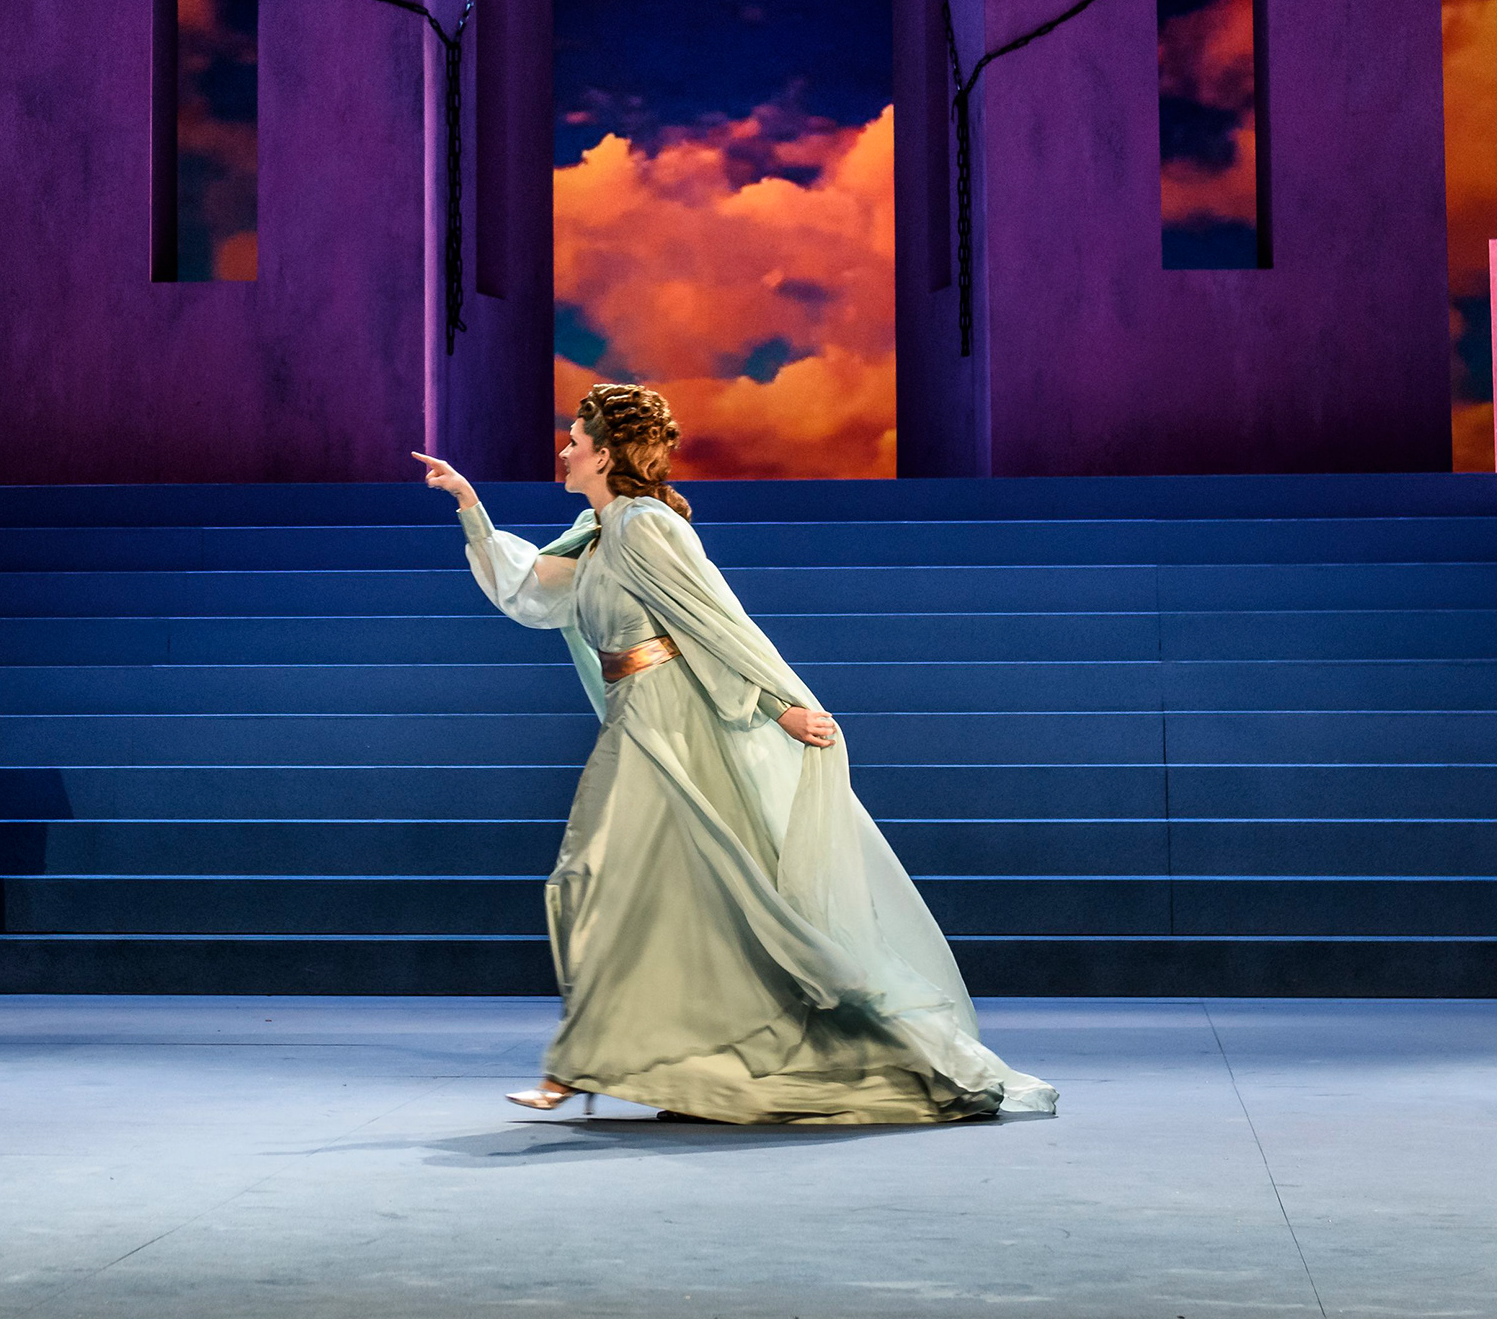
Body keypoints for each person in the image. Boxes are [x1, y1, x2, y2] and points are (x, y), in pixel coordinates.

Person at [411, 384, 1038, 1125]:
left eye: (575, 440)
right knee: (679, 899)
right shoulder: (598, 534)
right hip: (635, 719)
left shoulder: (644, 525)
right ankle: (691, 1068)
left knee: (594, 874)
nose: (564, 450)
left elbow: (718, 622)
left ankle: (574, 1068)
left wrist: (781, 705)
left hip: (668, 724)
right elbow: (529, 593)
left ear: (605, 455)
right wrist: (469, 504)